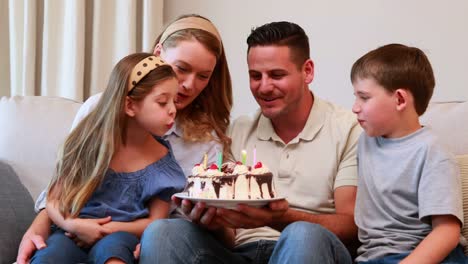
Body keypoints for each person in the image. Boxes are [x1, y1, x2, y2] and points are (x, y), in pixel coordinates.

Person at [17, 14, 233, 263]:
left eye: (203, 76)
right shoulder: (99, 111)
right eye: (181, 68)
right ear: (159, 52)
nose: (188, 85)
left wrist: (147, 241)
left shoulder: (206, 141)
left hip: (145, 241)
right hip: (71, 228)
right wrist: (41, 227)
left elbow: (171, 222)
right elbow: (64, 186)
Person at [140, 21, 361, 263]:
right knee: (162, 232)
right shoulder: (237, 131)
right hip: (243, 253)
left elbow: (352, 226)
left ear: (307, 71)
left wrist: (277, 217)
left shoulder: (348, 129)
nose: (264, 87)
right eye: (255, 76)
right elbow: (229, 237)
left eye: (277, 75)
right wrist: (210, 220)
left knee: (301, 235)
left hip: (310, 249)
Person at [29, 53, 186, 263]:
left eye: (174, 101)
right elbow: (53, 200)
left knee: (114, 257)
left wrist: (108, 229)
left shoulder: (162, 162)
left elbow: (156, 222)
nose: (173, 110)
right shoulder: (88, 143)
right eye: (162, 102)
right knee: (49, 257)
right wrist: (73, 225)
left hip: (122, 237)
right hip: (70, 233)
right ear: (130, 105)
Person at [351, 44, 466, 263]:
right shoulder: (366, 141)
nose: (355, 107)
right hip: (373, 256)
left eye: (364, 98)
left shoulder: (432, 151)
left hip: (425, 255)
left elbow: (447, 232)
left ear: (400, 100)